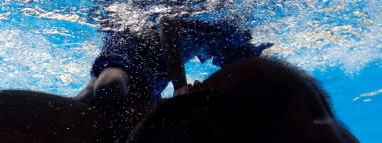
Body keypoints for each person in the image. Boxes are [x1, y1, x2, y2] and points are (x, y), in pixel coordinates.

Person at [76, 3, 272, 105]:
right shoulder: (189, 7)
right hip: (131, 47)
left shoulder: (228, 27)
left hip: (156, 76)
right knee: (109, 85)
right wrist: (180, 87)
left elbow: (240, 65)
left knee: (139, 107)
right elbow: (168, 23)